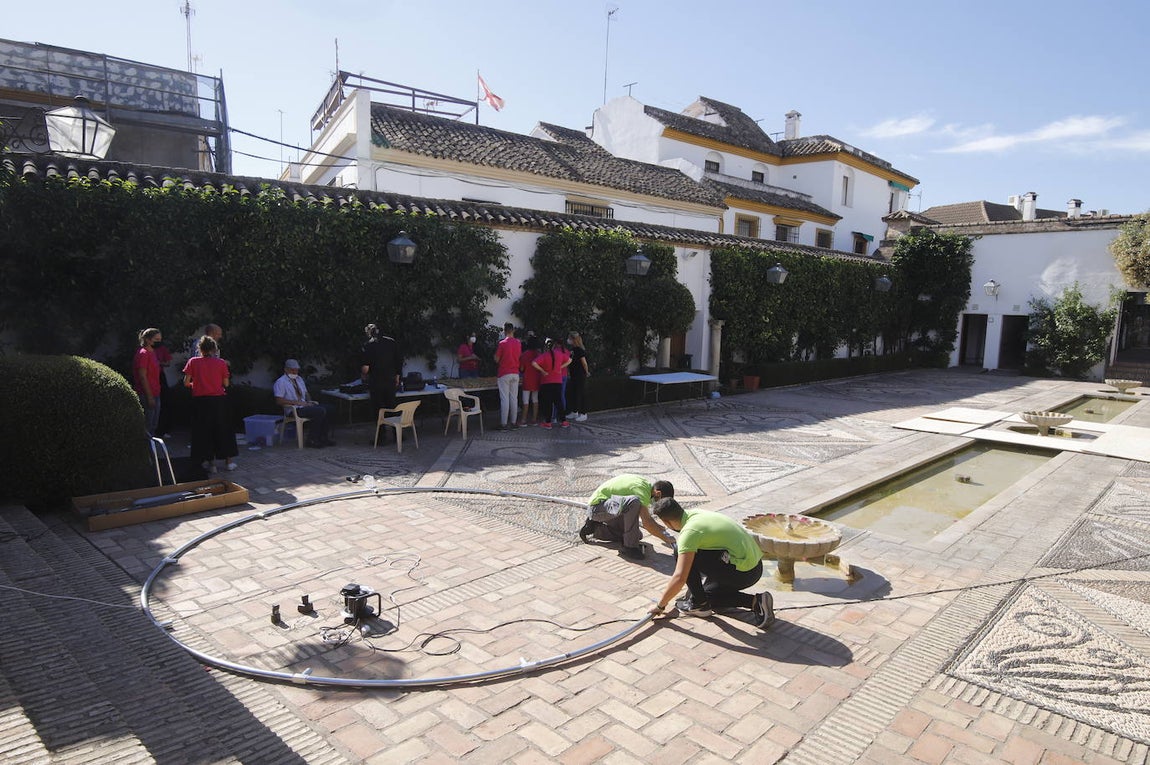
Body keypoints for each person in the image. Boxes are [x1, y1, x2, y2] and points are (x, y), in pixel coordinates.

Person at [647, 498, 775, 629]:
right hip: (755, 566)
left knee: (680, 551)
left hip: (743, 574)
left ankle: (700, 604)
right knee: (708, 594)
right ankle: (756, 602)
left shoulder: (689, 533)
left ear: (666, 522)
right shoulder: (697, 514)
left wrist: (660, 605)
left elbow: (680, 577)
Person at [579, 475, 677, 560]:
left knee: (636, 535)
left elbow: (648, 519)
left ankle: (595, 528)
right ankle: (629, 548)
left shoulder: (647, 487)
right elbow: (647, 522)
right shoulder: (641, 491)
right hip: (597, 508)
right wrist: (666, 539)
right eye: (661, 502)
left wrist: (659, 528)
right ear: (658, 493)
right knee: (634, 502)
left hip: (610, 508)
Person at [182, 335, 238, 473]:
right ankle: (229, 462)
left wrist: (196, 384)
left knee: (203, 432)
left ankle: (211, 463)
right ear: (214, 349)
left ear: (199, 348)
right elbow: (226, 383)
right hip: (219, 401)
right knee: (224, 431)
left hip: (200, 402)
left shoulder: (193, 362)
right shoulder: (221, 363)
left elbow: (186, 382)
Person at [273, 359, 335, 448]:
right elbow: (279, 400)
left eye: (296, 370)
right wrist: (298, 403)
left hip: (304, 405)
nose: (295, 372)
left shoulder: (299, 379)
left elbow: (306, 393)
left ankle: (323, 437)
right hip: (293, 409)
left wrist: (309, 401)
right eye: (292, 370)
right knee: (319, 411)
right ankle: (312, 439)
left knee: (330, 408)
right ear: (286, 370)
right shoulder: (280, 382)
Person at [360, 323, 402, 414]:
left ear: (369, 333)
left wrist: (363, 376)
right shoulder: (392, 342)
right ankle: (395, 426)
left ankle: (381, 427)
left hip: (376, 381)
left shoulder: (368, 345)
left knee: (378, 408)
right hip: (390, 380)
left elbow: (365, 368)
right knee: (391, 405)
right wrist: (397, 376)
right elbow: (399, 360)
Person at [532, 337, 570, 429]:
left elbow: (534, 363)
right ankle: (564, 421)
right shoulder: (559, 354)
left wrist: (543, 371)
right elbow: (569, 360)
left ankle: (548, 422)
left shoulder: (544, 355)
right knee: (559, 401)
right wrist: (560, 367)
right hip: (557, 380)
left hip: (546, 381)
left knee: (548, 403)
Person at [133, 328, 163, 436]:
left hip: (155, 392)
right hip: (147, 394)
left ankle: (150, 451)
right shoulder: (144, 354)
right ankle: (145, 451)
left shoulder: (152, 352)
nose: (159, 342)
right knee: (147, 426)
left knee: (153, 425)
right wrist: (149, 396)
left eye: (160, 339)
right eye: (156, 339)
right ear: (147, 339)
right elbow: (142, 376)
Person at [494, 323, 521, 431]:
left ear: (504, 331)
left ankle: (504, 424)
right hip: (515, 372)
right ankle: (514, 422)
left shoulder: (502, 343)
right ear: (513, 330)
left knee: (504, 399)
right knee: (514, 398)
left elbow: (496, 359)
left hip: (504, 372)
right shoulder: (518, 343)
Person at [517, 334, 541, 427]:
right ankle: (534, 419)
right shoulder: (539, 354)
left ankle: (523, 420)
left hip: (527, 379)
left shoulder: (524, 355)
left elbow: (522, 368)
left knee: (525, 401)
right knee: (535, 399)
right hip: (537, 379)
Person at [565, 331, 590, 422]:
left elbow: (584, 362)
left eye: (570, 339)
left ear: (573, 339)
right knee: (574, 392)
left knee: (581, 393)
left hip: (580, 375)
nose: (568, 340)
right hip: (574, 374)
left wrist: (587, 371)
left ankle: (583, 413)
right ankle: (574, 411)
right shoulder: (573, 350)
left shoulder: (579, 350)